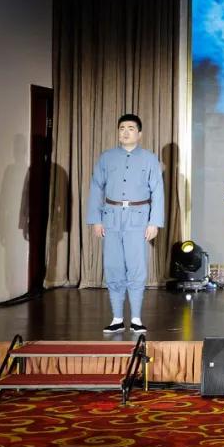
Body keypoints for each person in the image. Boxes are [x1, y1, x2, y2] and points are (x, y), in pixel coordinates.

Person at [86, 114, 164, 334]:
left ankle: (136, 318)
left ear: (139, 133)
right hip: (111, 217)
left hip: (138, 217)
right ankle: (117, 318)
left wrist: (154, 222)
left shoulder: (149, 159)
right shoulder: (107, 158)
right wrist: (96, 219)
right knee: (113, 266)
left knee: (137, 267)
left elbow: (157, 191)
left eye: (131, 128)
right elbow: (96, 187)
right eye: (122, 128)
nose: (126, 132)